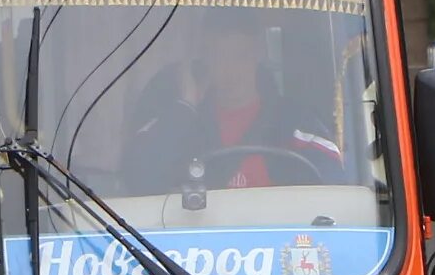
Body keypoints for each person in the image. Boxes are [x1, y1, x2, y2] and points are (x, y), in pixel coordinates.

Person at [121, 10, 342, 193]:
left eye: (240, 56)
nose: (230, 70)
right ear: (204, 59)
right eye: (219, 57)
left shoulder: (294, 123)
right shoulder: (178, 123)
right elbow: (134, 178)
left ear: (259, 54)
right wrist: (185, 106)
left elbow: (333, 191)